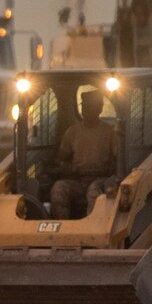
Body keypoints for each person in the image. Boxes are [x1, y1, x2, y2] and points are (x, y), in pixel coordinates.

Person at [48, 90, 120, 219]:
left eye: (92, 107)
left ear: (100, 109)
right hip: (78, 180)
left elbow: (117, 159)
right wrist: (67, 167)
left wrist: (108, 171)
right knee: (58, 189)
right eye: (85, 107)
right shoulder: (72, 132)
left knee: (94, 194)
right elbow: (60, 158)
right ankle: (63, 227)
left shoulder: (109, 132)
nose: (87, 110)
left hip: (101, 180)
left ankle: (92, 229)